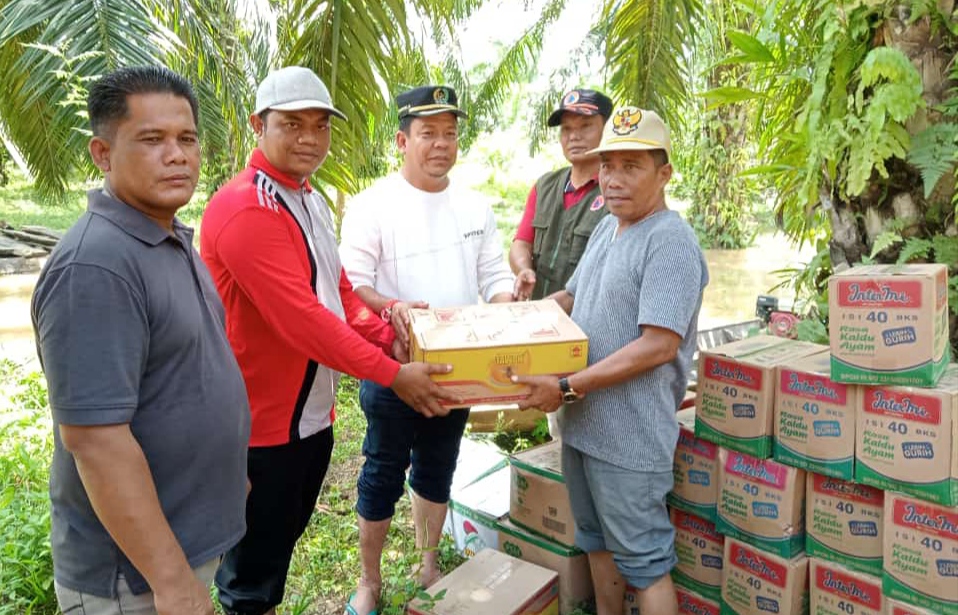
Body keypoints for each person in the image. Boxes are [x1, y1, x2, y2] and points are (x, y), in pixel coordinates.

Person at [200, 67, 458, 615]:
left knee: (278, 544)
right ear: (257, 125)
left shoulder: (306, 197)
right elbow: (304, 321)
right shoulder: (248, 207)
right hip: (260, 426)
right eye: (292, 124)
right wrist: (393, 374)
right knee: (250, 573)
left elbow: (337, 291)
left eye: (320, 126)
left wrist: (388, 335)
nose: (309, 138)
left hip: (307, 418)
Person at [32, 66, 251, 615]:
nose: (177, 155)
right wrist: (173, 582)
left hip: (183, 542)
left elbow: (184, 374)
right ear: (102, 154)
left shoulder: (165, 235)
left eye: (187, 138)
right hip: (137, 579)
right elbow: (96, 443)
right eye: (151, 140)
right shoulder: (97, 266)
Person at [339, 85, 532, 615]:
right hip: (393, 367)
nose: (441, 144)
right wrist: (392, 307)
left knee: (438, 466)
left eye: (450, 133)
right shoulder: (372, 205)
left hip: (458, 366)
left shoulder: (473, 205)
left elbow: (492, 275)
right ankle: (369, 579)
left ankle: (428, 561)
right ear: (403, 140)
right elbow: (352, 284)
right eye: (428, 133)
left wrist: (507, 297)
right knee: (382, 469)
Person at [515, 107, 709, 615]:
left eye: (631, 166)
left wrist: (566, 387)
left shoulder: (670, 241)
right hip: (582, 429)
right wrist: (509, 324)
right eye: (608, 166)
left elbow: (658, 346)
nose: (614, 179)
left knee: (645, 563)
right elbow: (571, 299)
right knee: (597, 544)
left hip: (630, 439)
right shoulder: (609, 229)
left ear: (664, 174)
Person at [509, 87, 613, 301]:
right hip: (541, 318)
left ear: (607, 130)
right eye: (566, 129)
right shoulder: (545, 186)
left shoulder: (616, 191)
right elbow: (521, 243)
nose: (574, 136)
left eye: (585, 127)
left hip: (588, 323)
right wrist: (523, 269)